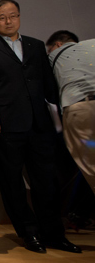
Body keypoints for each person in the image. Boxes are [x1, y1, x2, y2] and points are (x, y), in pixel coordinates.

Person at [0, 0, 80, 254]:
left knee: (46, 181)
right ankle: (29, 233)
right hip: (6, 124)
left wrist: (65, 108)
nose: (8, 21)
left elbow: (48, 82)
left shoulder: (35, 45)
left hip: (40, 123)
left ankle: (54, 233)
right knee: (12, 183)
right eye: (2, 17)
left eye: (13, 15)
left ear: (19, 16)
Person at [46, 30, 95, 190]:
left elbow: (49, 92)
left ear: (58, 44)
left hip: (80, 108)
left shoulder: (53, 56)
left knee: (91, 165)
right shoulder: (92, 44)